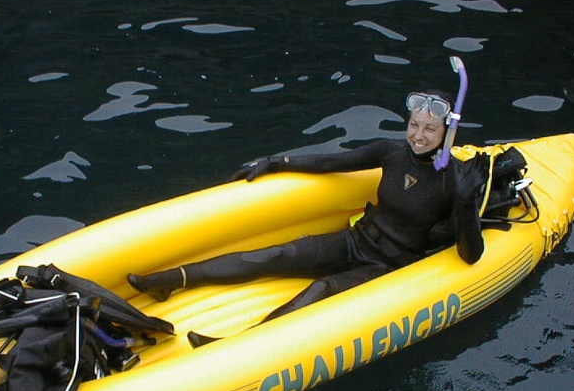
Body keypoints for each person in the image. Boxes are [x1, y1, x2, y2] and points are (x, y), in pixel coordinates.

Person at [128, 90, 488, 329]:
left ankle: (241, 342)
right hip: (354, 241)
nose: (418, 136)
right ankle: (172, 280)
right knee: (277, 255)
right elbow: (331, 162)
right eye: (414, 126)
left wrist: (467, 203)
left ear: (447, 132)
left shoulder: (455, 181)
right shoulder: (391, 152)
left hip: (388, 266)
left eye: (429, 129)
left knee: (321, 289)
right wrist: (277, 161)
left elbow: (471, 255)